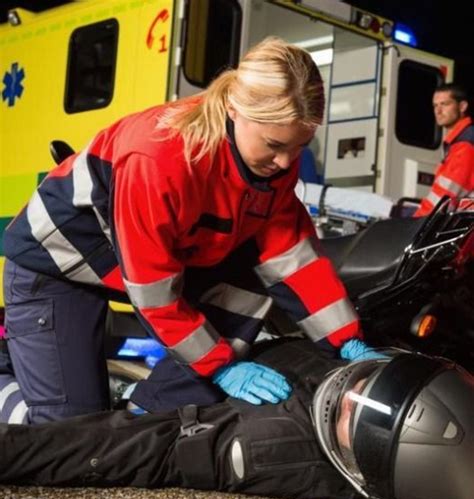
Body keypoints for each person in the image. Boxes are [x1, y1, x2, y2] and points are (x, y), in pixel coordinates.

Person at [1, 37, 379, 425]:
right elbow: (154, 292)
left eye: (300, 146)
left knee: (249, 282)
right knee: (69, 435)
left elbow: (292, 256)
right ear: (234, 108)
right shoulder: (159, 157)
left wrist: (347, 340)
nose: (286, 162)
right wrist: (220, 368)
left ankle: (149, 411)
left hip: (127, 266)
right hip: (56, 266)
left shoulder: (273, 164)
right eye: (274, 145)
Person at [0, 338, 473, 499]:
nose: (347, 393)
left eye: (351, 414)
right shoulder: (356, 411)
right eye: (371, 381)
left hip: (170, 401)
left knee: (53, 422)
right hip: (216, 357)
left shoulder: (271, 446)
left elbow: (119, 447)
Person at [415, 83, 474, 217]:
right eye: (435, 106)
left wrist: (415, 223)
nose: (438, 111)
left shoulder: (465, 145)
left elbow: (444, 199)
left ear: (462, 106)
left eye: (445, 104)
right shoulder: (458, 142)